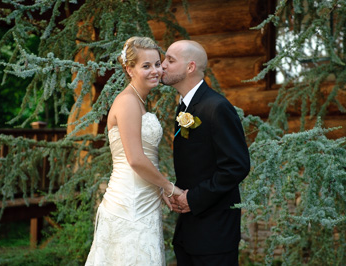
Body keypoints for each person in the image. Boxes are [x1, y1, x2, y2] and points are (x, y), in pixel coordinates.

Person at [85, 36, 183, 266]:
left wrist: (156, 189)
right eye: (146, 66)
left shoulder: (139, 101)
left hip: (144, 201)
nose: (155, 71)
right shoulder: (127, 102)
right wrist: (168, 187)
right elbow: (136, 159)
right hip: (129, 205)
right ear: (129, 69)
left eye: (157, 64)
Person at [161, 40, 250, 265]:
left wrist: (193, 197)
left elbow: (236, 166)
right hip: (189, 232)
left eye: (170, 60)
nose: (162, 65)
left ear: (190, 67)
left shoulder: (216, 107)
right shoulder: (184, 108)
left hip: (214, 234)